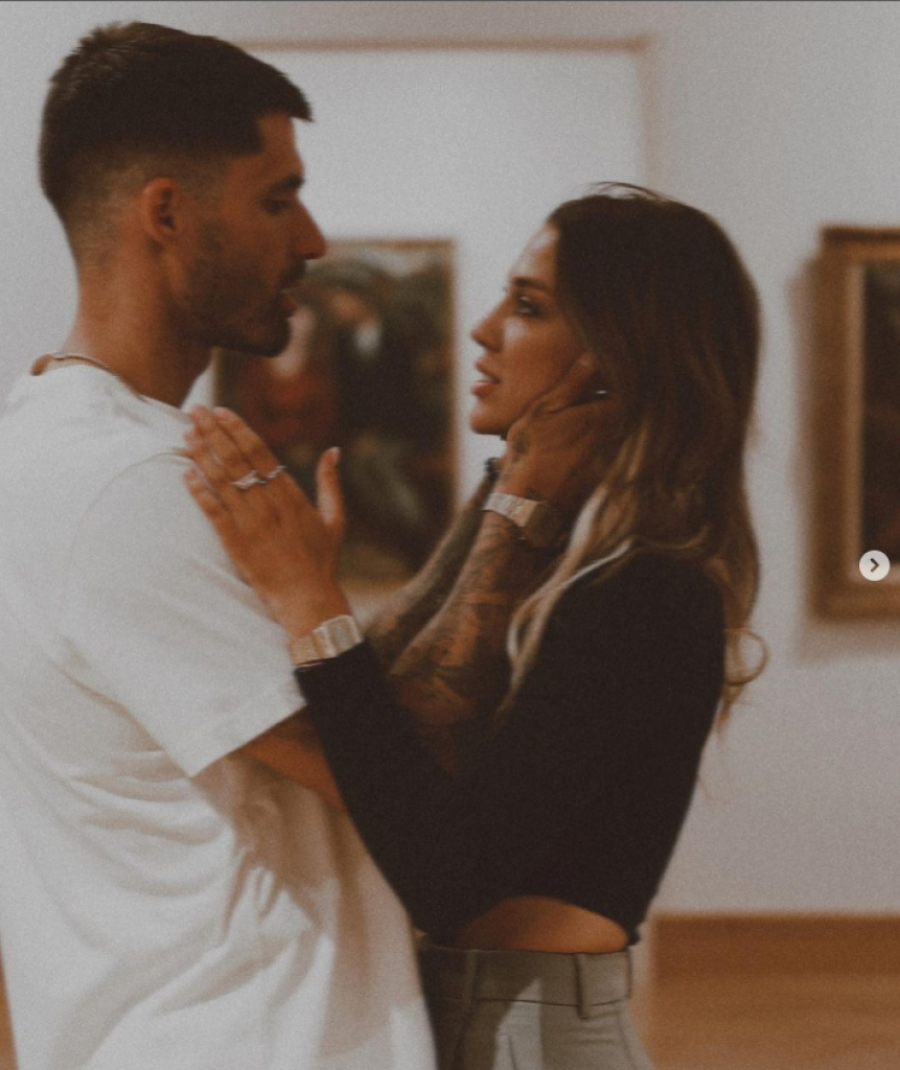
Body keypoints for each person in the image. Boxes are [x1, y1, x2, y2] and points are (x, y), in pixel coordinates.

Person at [182, 184, 764, 1070]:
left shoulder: (647, 588)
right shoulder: (575, 561)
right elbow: (396, 713)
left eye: (527, 306)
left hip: (534, 1030)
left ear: (616, 358)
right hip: (480, 1012)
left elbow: (448, 869)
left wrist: (311, 601)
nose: (484, 330)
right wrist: (509, 489)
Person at [0, 22, 438, 1070]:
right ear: (166, 213)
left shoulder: (45, 442)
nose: (313, 239)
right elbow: (388, 786)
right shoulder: (129, 482)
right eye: (278, 199)